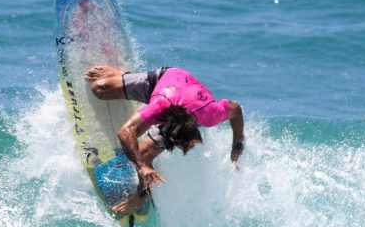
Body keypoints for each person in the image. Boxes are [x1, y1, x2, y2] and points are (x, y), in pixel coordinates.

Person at [84, 65, 245, 215]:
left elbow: (236, 109)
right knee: (98, 88)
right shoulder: (159, 104)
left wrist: (237, 143)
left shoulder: (211, 115)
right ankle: (124, 77)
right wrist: (141, 167)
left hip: (186, 94)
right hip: (163, 80)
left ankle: (142, 194)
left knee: (143, 153)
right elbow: (125, 133)